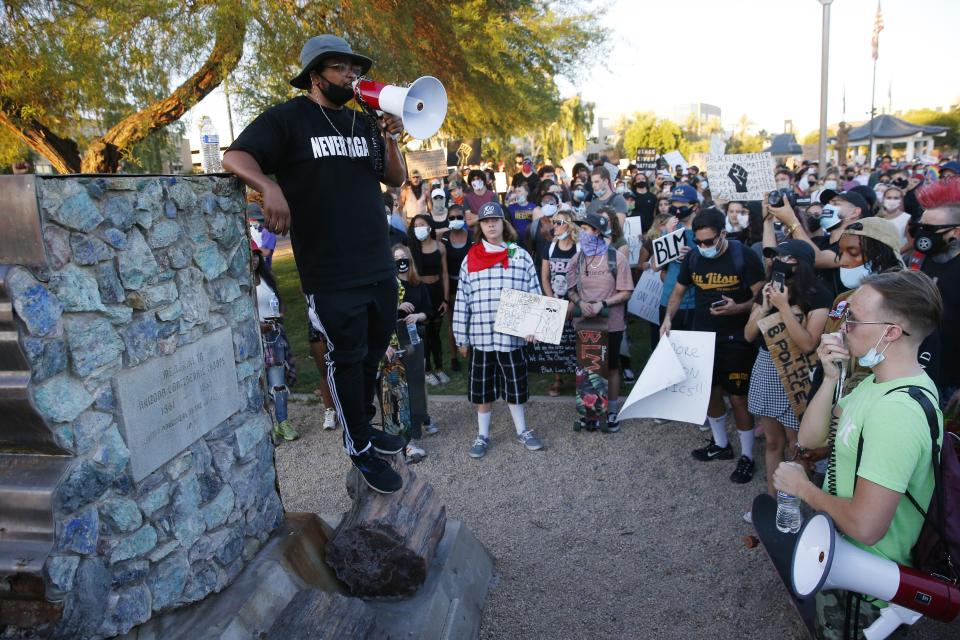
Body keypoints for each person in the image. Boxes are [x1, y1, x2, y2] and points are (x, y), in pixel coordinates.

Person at [222, 34, 408, 494]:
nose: (351, 76)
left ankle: (362, 425)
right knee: (345, 357)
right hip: (330, 269)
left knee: (370, 354)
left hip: (377, 261)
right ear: (315, 74)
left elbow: (395, 176)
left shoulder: (363, 122)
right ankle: (358, 447)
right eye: (341, 68)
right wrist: (269, 187)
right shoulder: (288, 119)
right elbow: (234, 156)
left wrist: (388, 136)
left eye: (354, 69)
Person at [773, 270, 944, 638]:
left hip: (867, 592)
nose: (843, 324)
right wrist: (831, 377)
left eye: (853, 317)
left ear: (891, 332)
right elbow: (811, 436)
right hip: (854, 572)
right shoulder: (878, 384)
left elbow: (867, 527)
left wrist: (803, 489)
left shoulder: (895, 413)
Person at [662, 208, 765, 482]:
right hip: (703, 336)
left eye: (709, 241)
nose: (703, 247)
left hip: (737, 337)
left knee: (738, 398)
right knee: (708, 393)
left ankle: (747, 456)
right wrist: (667, 320)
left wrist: (738, 308)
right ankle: (721, 445)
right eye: (699, 241)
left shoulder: (745, 256)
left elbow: (762, 298)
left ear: (723, 234)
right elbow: (678, 292)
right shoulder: (694, 257)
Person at [743, 239, 831, 513]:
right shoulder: (767, 290)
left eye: (787, 257)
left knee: (797, 446)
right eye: (776, 256)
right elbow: (748, 335)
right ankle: (773, 502)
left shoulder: (818, 295)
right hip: (767, 366)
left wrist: (783, 307)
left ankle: (794, 508)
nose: (778, 261)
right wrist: (766, 307)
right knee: (772, 441)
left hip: (797, 372)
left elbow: (808, 344)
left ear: (802, 264)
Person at [453, 201, 544, 459]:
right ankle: (482, 435)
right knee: (483, 390)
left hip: (511, 338)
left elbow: (533, 293)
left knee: (515, 387)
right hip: (481, 337)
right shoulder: (470, 259)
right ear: (480, 226)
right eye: (485, 221)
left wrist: (532, 326)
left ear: (504, 223)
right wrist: (461, 336)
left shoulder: (519, 255)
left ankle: (523, 431)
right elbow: (462, 300)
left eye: (495, 220)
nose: (491, 224)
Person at [566, 213, 635, 431]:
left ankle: (612, 410)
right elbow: (570, 290)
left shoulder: (616, 259)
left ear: (597, 232)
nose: (581, 234)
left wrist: (602, 304)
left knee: (611, 368)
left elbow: (626, 292)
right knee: (587, 368)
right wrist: (580, 302)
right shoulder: (577, 260)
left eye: (585, 229)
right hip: (584, 324)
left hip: (611, 324)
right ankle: (589, 412)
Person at [913, 179, 960, 411]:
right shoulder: (918, 259)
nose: (923, 235)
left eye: (930, 230)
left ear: (956, 231)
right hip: (919, 373)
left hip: (951, 383)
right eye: (920, 226)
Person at [388, 244, 436, 462]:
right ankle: (402, 429)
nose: (401, 261)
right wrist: (398, 307)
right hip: (393, 339)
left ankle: (418, 422)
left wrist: (418, 316)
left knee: (417, 383)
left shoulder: (417, 285)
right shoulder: (389, 286)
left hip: (414, 338)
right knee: (398, 386)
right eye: (396, 258)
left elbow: (430, 310)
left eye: (404, 257)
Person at [252, 241, 299, 443]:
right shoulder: (242, 283)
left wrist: (279, 315)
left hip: (274, 336)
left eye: (256, 255)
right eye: (250, 255)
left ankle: (283, 422)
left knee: (278, 383)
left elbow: (277, 300)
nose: (254, 259)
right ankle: (265, 426)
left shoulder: (265, 277)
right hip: (254, 339)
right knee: (258, 385)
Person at [541, 210, 579, 397]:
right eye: (553, 222)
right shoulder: (549, 247)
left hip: (575, 302)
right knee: (554, 341)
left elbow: (584, 279)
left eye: (558, 222)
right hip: (554, 300)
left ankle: (579, 376)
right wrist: (552, 300)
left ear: (569, 225)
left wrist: (573, 304)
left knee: (575, 339)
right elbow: (545, 277)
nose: (553, 226)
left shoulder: (579, 248)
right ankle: (557, 379)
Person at [408, 214, 450, 386]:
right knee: (423, 334)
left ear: (430, 226)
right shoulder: (411, 249)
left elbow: (445, 273)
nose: (418, 227)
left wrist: (446, 299)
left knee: (436, 334)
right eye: (415, 225)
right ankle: (427, 370)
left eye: (422, 224)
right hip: (421, 293)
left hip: (437, 291)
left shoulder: (440, 247)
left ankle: (439, 368)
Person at [876, 185, 910, 249]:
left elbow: (911, 242)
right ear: (883, 199)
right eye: (889, 198)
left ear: (901, 200)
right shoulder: (877, 218)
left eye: (896, 198)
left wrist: (895, 254)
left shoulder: (907, 218)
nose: (892, 201)